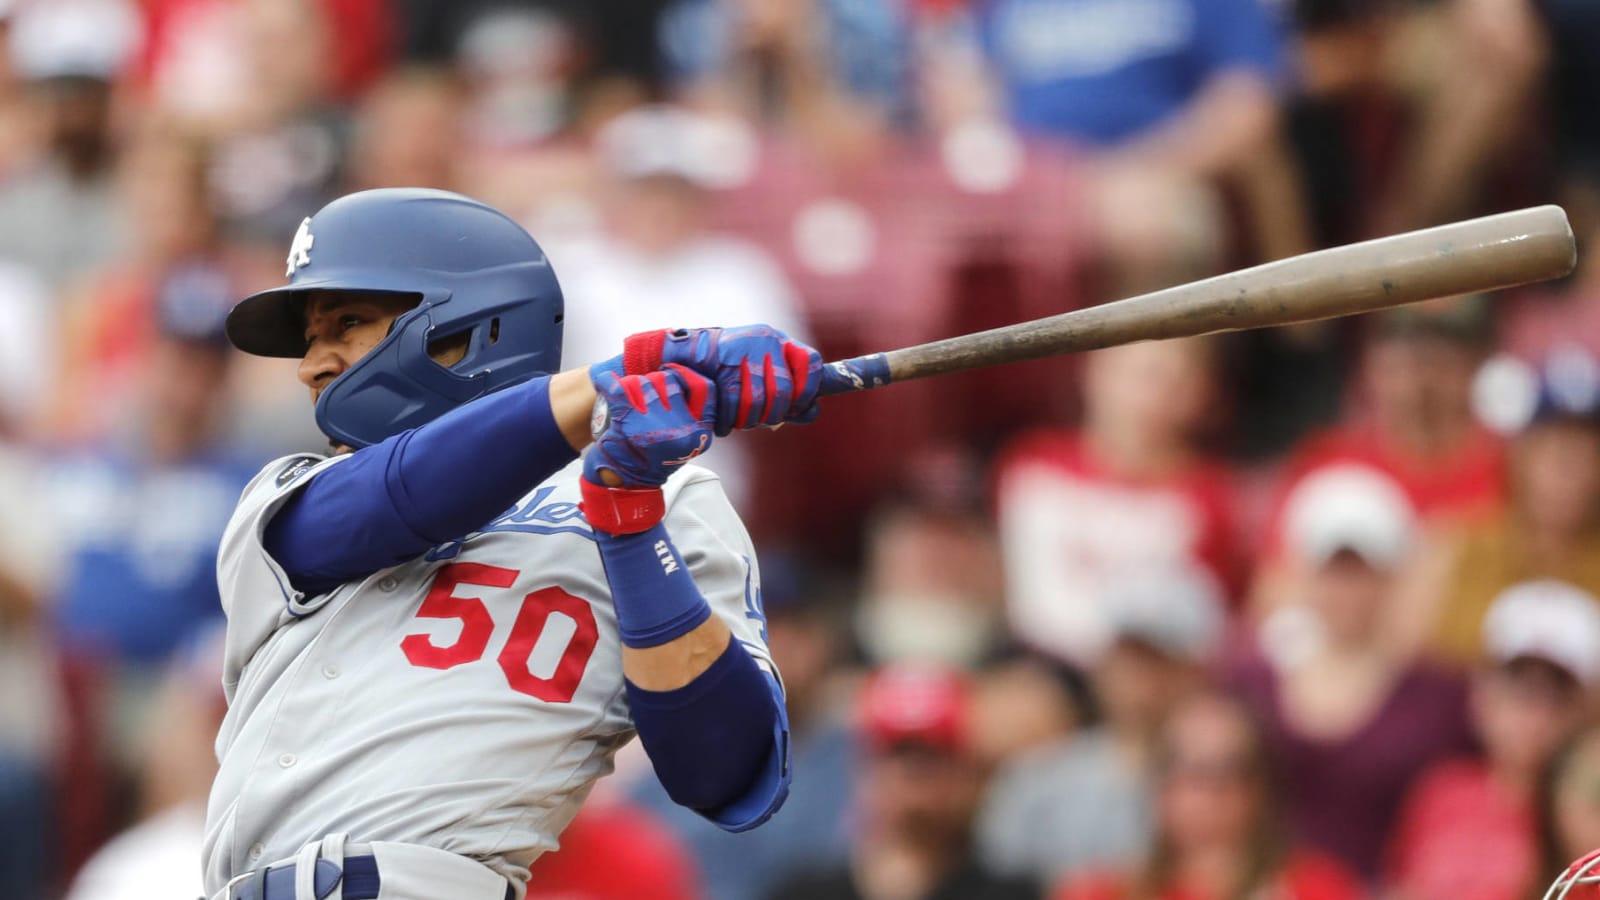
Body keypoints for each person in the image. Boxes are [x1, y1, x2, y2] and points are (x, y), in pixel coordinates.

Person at [202, 187, 829, 899]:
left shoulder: (669, 498)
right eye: (312, 339)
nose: (311, 365)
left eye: (346, 324)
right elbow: (397, 496)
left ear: (470, 326)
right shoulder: (289, 495)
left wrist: (627, 524)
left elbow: (727, 769)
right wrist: (607, 385)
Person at [1230, 464, 1475, 881]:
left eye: (1362, 571)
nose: (1346, 589)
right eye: (1332, 570)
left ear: (1394, 575)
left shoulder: (1441, 697)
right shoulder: (1249, 679)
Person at [995, 338, 1239, 665]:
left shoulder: (1208, 497)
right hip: (1034, 668)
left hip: (1147, 678)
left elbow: (1211, 623)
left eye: (1173, 382)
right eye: (1142, 375)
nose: (1151, 397)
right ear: (1094, 372)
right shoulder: (1032, 466)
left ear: (1200, 394)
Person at [977, 567, 1224, 886]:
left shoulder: (1228, 790)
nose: (1142, 678)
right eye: (1129, 654)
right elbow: (993, 884)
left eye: (1159, 659)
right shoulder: (1036, 782)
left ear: (1197, 672)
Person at [1387, 580, 1600, 900]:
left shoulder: (1583, 812)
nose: (1533, 713)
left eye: (1555, 693)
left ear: (1584, 709)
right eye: (1517, 687)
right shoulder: (1442, 789)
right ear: (1482, 693)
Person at [766, 664, 1040, 900]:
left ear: (969, 771)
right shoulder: (803, 892)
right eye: (897, 752)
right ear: (865, 765)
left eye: (934, 755)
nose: (912, 773)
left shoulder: (1009, 893)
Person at [1056, 692, 1364, 900]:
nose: (1210, 791)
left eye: (1230, 770)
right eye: (1191, 770)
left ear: (1260, 788)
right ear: (1159, 786)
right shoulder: (1101, 891)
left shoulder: (1317, 885)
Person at [1413, 348, 1600, 666]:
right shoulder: (1457, 546)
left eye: (1586, 452)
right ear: (1520, 455)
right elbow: (1405, 670)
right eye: (1551, 447)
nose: (1567, 469)